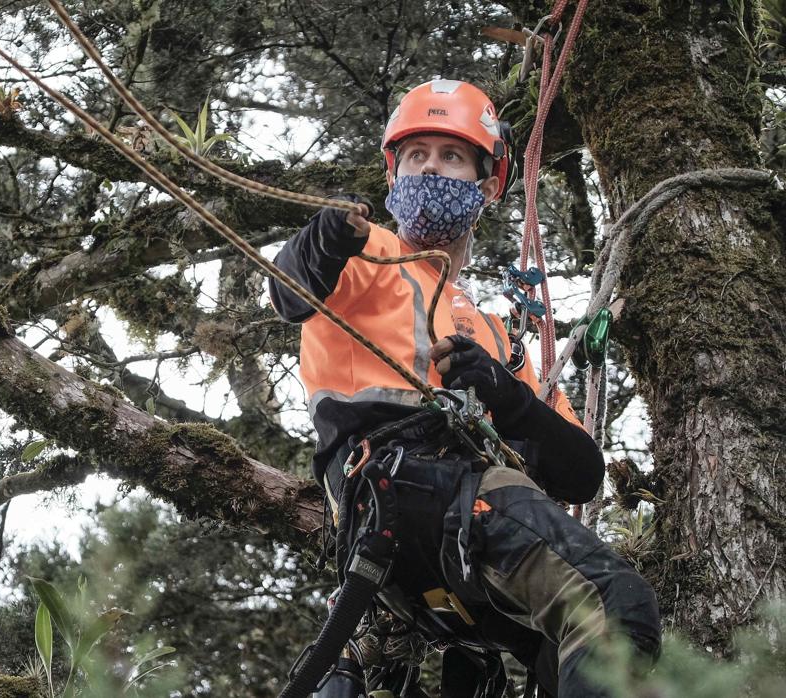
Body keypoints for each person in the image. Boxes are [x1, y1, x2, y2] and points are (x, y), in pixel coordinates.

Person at [268, 79, 661, 697]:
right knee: (611, 601)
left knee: (560, 654)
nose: (431, 167)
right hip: (402, 489)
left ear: (489, 184)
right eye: (416, 155)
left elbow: (582, 474)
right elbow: (291, 291)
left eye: (451, 155)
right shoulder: (370, 254)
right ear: (393, 174)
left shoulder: (498, 338)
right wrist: (325, 236)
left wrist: (508, 398)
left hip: (449, 540)